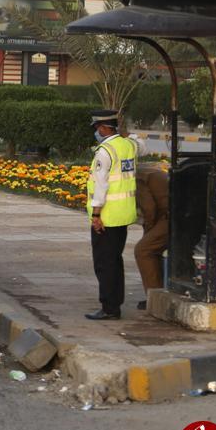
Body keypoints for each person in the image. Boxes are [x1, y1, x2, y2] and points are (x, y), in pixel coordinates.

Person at [85, 110, 147, 320]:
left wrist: (96, 214)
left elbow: (101, 185)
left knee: (104, 263)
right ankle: (114, 304)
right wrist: (128, 135)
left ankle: (110, 308)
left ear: (103, 128)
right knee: (115, 260)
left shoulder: (105, 151)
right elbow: (141, 144)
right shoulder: (127, 145)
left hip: (107, 217)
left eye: (96, 128)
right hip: (124, 214)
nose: (95, 132)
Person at [134, 166, 169, 310]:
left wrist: (148, 232)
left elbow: (149, 210)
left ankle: (154, 298)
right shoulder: (147, 171)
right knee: (152, 249)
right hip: (178, 213)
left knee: (143, 250)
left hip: (171, 217)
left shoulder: (138, 179)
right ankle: (159, 291)